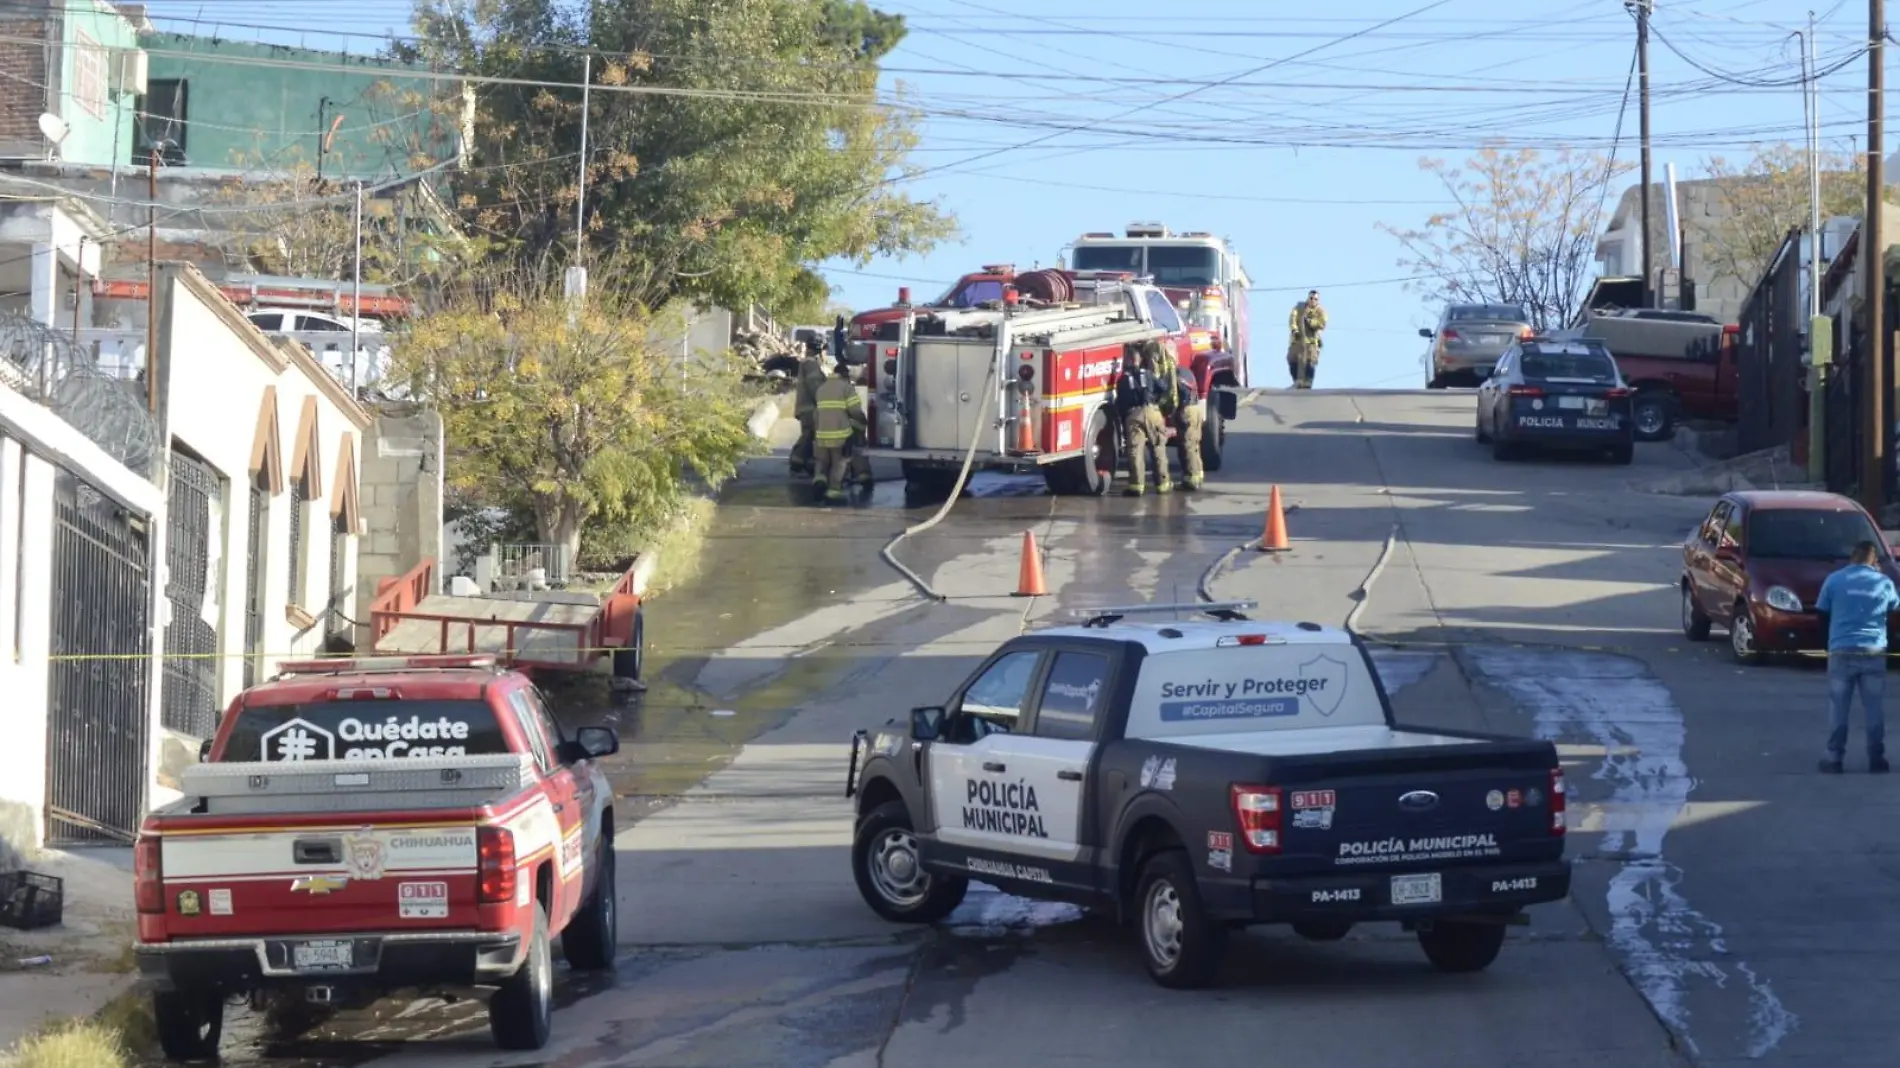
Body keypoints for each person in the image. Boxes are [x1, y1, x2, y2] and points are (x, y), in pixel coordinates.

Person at [1814, 540, 1900, 773]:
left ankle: (1834, 758)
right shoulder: (1884, 582)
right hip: (1873, 651)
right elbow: (1894, 608)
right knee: (1873, 707)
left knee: (1839, 706)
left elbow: (1821, 613)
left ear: (1853, 557)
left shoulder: (1834, 579)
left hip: (1841, 649)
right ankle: (1876, 758)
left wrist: (1826, 645)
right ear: (1874, 560)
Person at [1113, 342, 1170, 496]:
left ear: (1127, 361)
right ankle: (1163, 484)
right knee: (1158, 448)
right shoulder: (1149, 374)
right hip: (1152, 412)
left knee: (1135, 451)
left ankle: (1136, 486)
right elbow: (1164, 387)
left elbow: (1120, 403)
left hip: (1133, 415)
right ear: (1139, 360)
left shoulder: (1122, 380)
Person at [811, 361, 866, 504]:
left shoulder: (821, 389)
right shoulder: (846, 388)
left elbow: (816, 413)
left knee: (822, 462)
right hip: (840, 435)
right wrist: (863, 420)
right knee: (840, 462)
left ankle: (819, 480)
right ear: (845, 375)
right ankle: (833, 491)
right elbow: (855, 411)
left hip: (821, 434)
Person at [789, 336, 829, 478]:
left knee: (808, 434)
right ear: (819, 349)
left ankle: (800, 462)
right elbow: (815, 386)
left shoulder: (809, 362)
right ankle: (798, 462)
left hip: (807, 407)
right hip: (810, 407)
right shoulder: (811, 363)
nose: (826, 354)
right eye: (825, 350)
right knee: (810, 434)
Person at [1172, 362, 1205, 491]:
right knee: (1195, 444)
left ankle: (1191, 479)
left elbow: (1175, 394)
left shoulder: (1175, 376)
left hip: (1188, 410)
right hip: (1197, 409)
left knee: (1188, 446)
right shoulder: (1187, 371)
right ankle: (1198, 473)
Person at [1286, 290, 1327, 389]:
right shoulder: (1299, 308)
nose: (1313, 301)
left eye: (1315, 299)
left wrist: (1310, 321)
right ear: (1308, 298)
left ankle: (1308, 382)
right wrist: (1294, 330)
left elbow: (1322, 323)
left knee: (1310, 361)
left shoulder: (1320, 311)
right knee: (1292, 359)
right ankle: (1297, 381)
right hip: (1298, 340)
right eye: (1311, 298)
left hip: (1311, 341)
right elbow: (1292, 318)